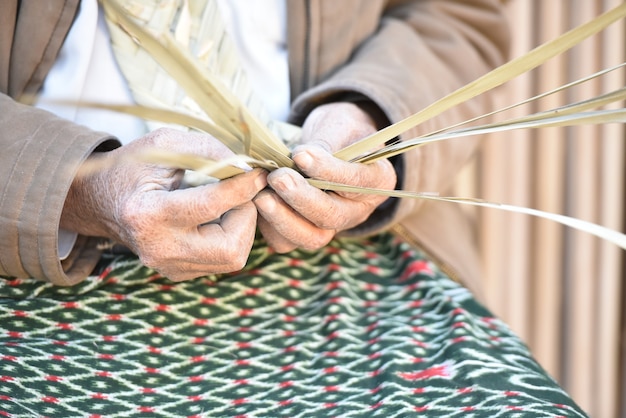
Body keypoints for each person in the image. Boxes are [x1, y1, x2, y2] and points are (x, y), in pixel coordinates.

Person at [0, 0, 588, 416]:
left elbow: (454, 16)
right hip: (34, 264)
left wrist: (370, 122)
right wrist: (78, 187)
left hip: (350, 248)